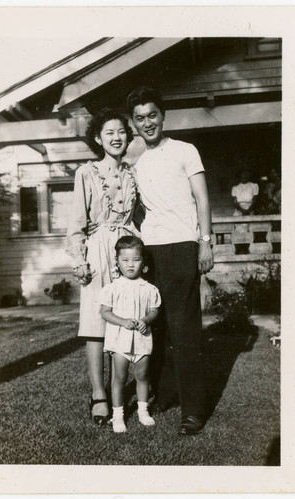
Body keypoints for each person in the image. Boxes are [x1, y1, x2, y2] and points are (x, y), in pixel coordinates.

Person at [126, 86, 214, 435]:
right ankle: (162, 395)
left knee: (185, 329)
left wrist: (205, 242)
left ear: (163, 116)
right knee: (156, 326)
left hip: (182, 246)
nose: (147, 123)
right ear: (133, 123)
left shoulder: (185, 151)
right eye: (140, 118)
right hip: (150, 250)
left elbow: (203, 199)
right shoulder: (135, 158)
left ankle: (193, 411)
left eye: (152, 115)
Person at [66, 108, 139, 426]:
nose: (116, 137)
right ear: (98, 138)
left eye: (121, 131)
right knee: (96, 325)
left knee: (122, 321)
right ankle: (99, 395)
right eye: (109, 132)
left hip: (126, 250)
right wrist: (79, 258)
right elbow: (76, 223)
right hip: (96, 251)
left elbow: (138, 218)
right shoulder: (86, 172)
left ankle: (117, 390)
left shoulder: (133, 172)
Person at [100, 236, 161, 433]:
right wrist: (123, 322)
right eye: (125, 260)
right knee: (119, 377)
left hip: (142, 339)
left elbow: (154, 310)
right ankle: (118, 415)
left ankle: (143, 410)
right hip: (120, 340)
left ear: (143, 262)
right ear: (117, 261)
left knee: (142, 375)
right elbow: (105, 312)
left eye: (135, 259)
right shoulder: (112, 288)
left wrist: (146, 320)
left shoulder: (149, 288)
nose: (130, 265)